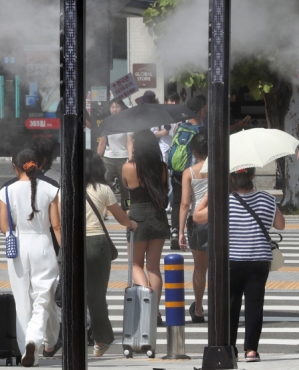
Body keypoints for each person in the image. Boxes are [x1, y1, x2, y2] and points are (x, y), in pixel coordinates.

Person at [194, 167, 285, 362]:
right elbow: (280, 224)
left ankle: (230, 347)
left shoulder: (224, 201)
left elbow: (197, 216)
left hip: (232, 260)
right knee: (255, 304)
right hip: (259, 260)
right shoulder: (268, 199)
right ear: (252, 177)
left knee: (231, 305)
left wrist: (210, 194)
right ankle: (251, 350)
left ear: (232, 178)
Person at [0, 139, 62, 357]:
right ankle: (35, 338)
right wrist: (66, 251)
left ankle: (26, 348)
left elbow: (3, 227)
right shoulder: (51, 189)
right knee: (43, 297)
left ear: (15, 166)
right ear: (38, 165)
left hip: (18, 247)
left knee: (22, 300)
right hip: (43, 245)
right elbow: (57, 226)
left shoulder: (6, 191)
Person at [84, 150, 137, 357]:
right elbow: (121, 217)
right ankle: (100, 339)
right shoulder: (103, 189)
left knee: (72, 294)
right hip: (98, 243)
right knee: (96, 295)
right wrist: (131, 223)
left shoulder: (66, 189)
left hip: (74, 243)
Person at [122, 130, 170, 325]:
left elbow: (126, 189)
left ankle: (145, 293)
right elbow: (165, 190)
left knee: (134, 264)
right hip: (157, 215)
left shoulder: (128, 167)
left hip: (137, 216)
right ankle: (155, 313)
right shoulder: (162, 167)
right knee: (154, 267)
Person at [177, 133, 209, 323]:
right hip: (219, 220)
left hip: (198, 223)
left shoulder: (189, 172)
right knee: (219, 268)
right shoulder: (221, 167)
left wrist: (180, 231)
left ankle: (198, 308)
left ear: (194, 151)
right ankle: (222, 305)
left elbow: (184, 204)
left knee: (200, 268)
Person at [169, 96, 206, 248]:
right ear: (200, 110)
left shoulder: (179, 125)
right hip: (193, 171)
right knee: (194, 199)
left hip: (178, 171)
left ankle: (175, 231)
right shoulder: (202, 130)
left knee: (177, 201)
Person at [97, 98, 132, 211]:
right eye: (112, 107)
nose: (114, 109)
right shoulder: (106, 122)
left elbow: (129, 142)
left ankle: (127, 208)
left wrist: (130, 158)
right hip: (108, 158)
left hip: (123, 158)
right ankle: (104, 209)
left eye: (117, 107)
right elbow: (102, 143)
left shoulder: (127, 122)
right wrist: (97, 159)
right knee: (104, 183)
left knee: (125, 187)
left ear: (122, 108)